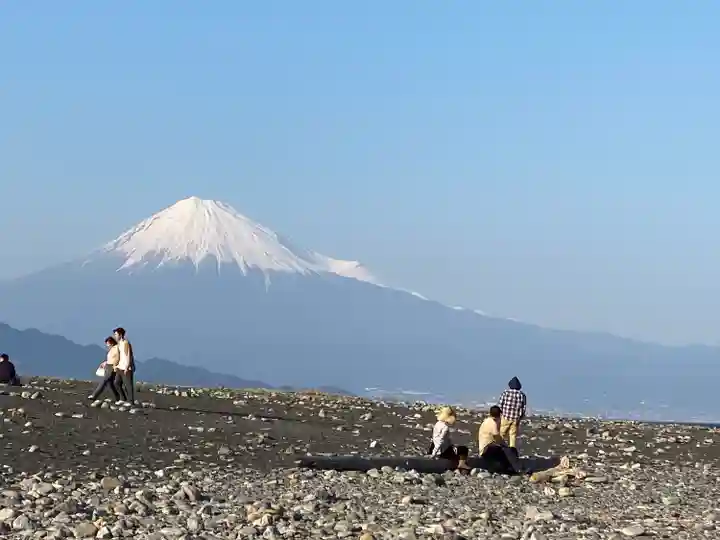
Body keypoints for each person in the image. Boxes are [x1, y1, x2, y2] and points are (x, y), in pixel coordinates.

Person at [478, 405, 522, 474]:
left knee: (504, 453)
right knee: (510, 450)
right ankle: (518, 469)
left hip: (485, 448)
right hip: (487, 448)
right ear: (500, 414)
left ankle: (511, 468)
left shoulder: (487, 421)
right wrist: (504, 445)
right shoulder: (493, 423)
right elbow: (496, 436)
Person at [427, 406, 470, 472]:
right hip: (442, 451)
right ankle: (461, 464)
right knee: (464, 449)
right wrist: (434, 454)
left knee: (454, 448)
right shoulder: (445, 427)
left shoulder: (437, 424)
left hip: (434, 446)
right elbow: (440, 441)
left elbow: (437, 439)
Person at [88, 337, 122, 402]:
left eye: (107, 343)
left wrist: (115, 366)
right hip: (108, 366)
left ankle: (94, 395)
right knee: (110, 384)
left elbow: (117, 358)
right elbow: (110, 359)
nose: (107, 345)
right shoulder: (111, 349)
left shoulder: (116, 348)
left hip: (112, 367)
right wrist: (104, 363)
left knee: (104, 381)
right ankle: (118, 397)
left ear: (111, 343)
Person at [498, 376, 527, 451]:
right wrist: (520, 417)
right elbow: (523, 407)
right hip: (516, 418)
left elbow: (500, 405)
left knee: (502, 433)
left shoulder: (505, 393)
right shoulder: (522, 395)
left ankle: (499, 447)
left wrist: (500, 414)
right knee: (513, 435)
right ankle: (512, 450)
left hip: (506, 416)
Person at [114, 327, 136, 406]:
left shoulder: (126, 343)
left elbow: (128, 355)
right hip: (120, 367)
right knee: (116, 383)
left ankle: (131, 402)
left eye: (116, 334)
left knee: (128, 385)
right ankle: (123, 399)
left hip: (126, 368)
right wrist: (116, 365)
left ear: (120, 335)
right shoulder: (119, 344)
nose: (115, 336)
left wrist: (127, 367)